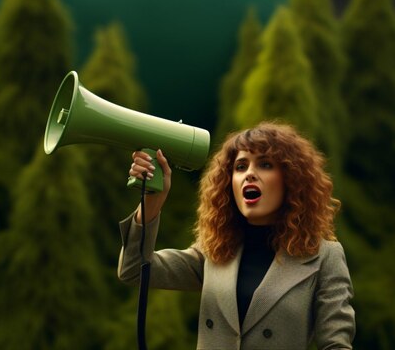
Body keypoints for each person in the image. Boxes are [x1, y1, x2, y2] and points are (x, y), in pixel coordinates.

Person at [118, 121, 355, 349]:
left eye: (265, 164)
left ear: (291, 180)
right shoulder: (215, 250)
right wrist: (152, 200)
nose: (249, 174)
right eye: (241, 167)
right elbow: (133, 269)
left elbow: (336, 344)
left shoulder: (324, 257)